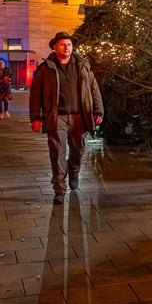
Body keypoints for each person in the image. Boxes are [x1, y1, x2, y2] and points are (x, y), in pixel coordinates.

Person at [30, 32, 103, 204]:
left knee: (78, 150)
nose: (66, 47)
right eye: (62, 44)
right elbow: (35, 94)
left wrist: (98, 112)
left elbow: (94, 89)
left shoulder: (82, 65)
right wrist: (35, 117)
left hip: (80, 116)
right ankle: (59, 188)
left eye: (69, 44)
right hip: (57, 117)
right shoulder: (46, 68)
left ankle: (74, 170)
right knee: (57, 153)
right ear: (55, 47)